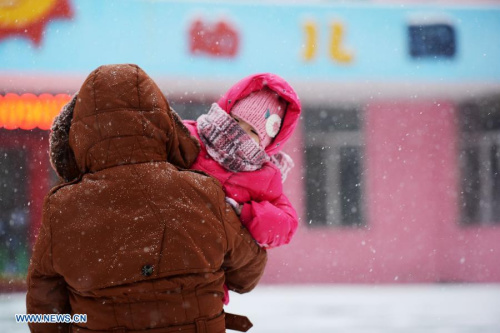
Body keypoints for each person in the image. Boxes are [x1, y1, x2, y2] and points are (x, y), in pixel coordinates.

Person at [26, 64, 267, 333]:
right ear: (164, 125)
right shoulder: (203, 192)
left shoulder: (63, 209)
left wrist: (81, 321)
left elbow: (43, 312)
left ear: (78, 137)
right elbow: (248, 273)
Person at [183, 73, 301, 304]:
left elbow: (286, 224)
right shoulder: (191, 136)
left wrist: (246, 213)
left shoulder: (264, 176)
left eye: (253, 132)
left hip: (206, 281)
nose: (239, 133)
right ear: (226, 113)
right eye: (236, 122)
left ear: (267, 144)